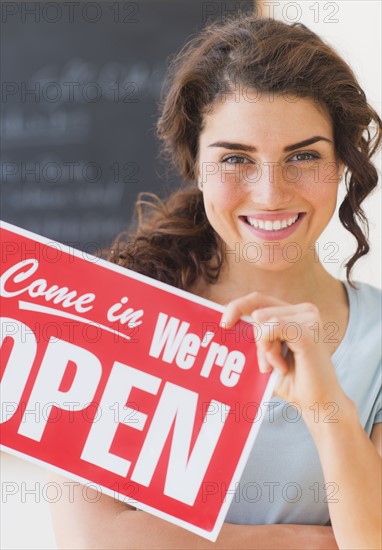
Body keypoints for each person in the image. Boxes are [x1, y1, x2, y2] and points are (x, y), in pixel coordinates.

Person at [49, 15, 382, 549]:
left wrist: (327, 406)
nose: (271, 193)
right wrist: (311, 542)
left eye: (303, 156)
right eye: (235, 159)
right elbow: (95, 539)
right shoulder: (113, 315)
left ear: (343, 161)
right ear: (197, 166)